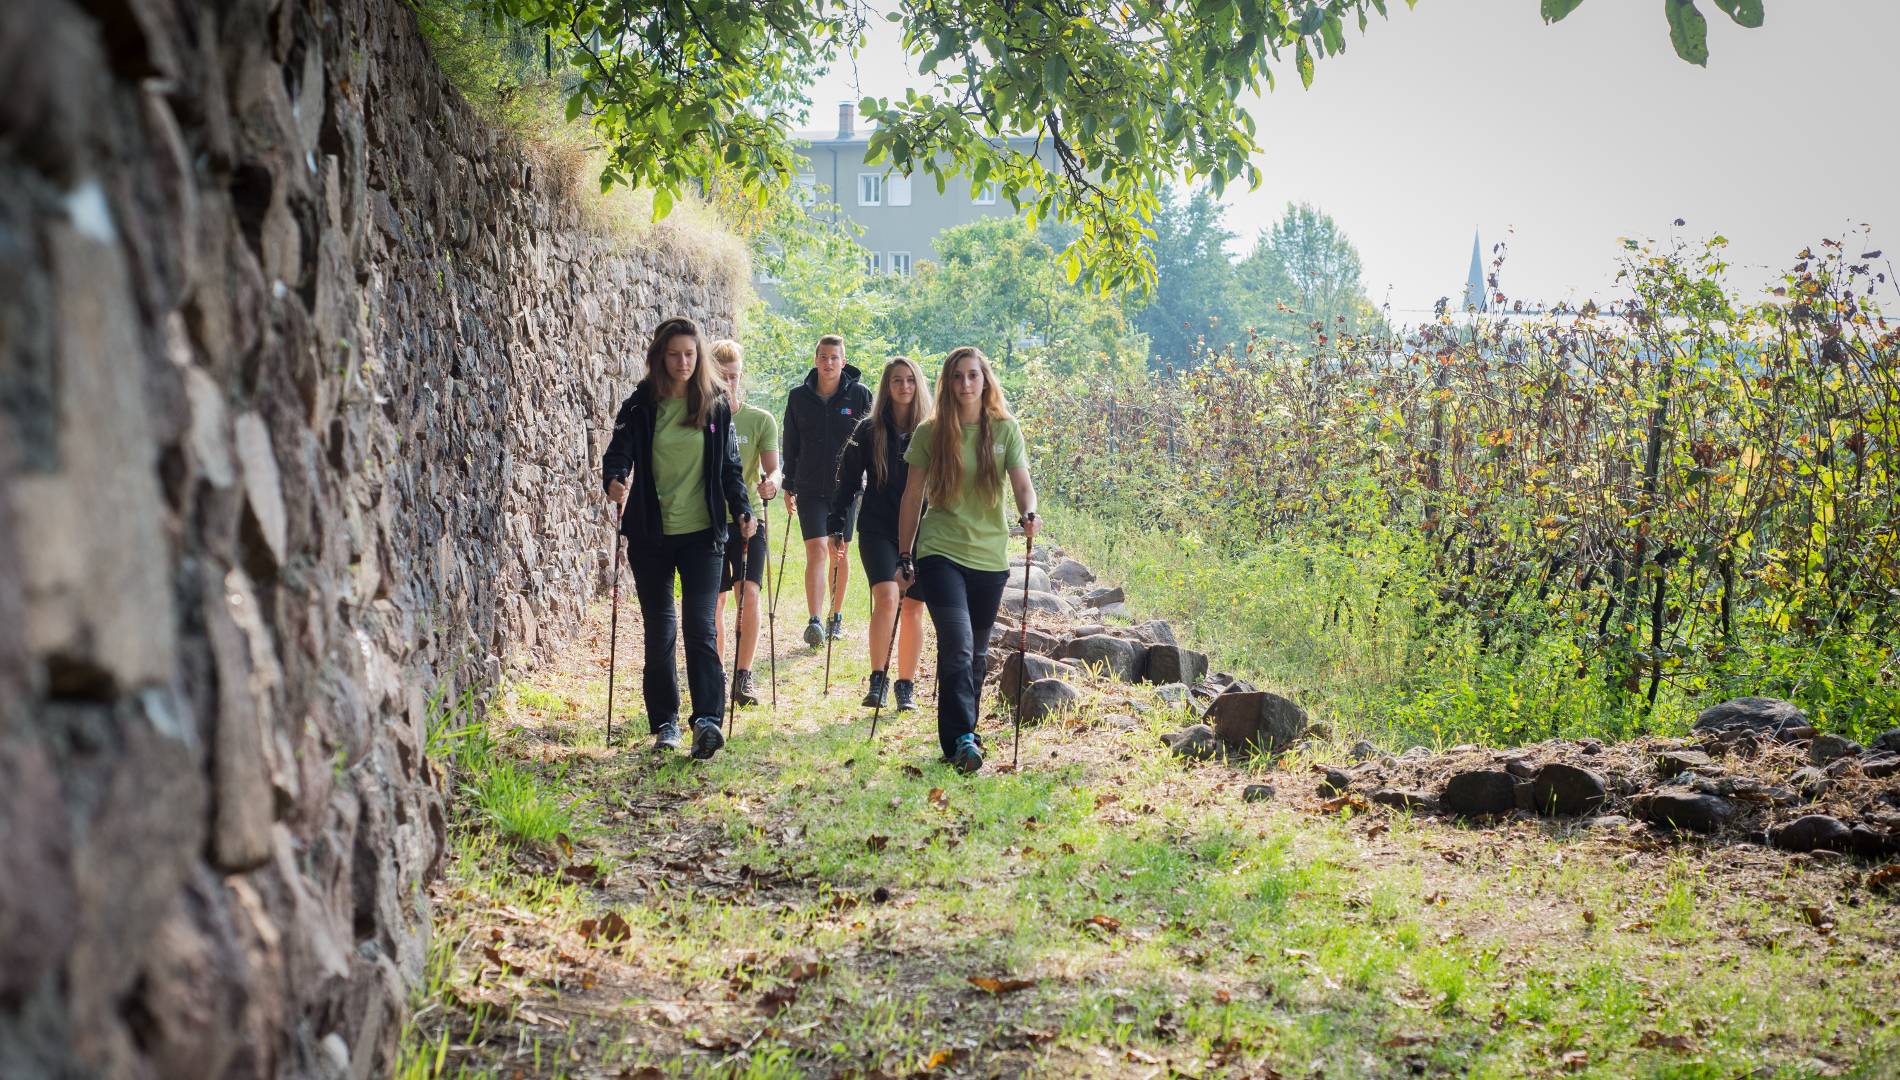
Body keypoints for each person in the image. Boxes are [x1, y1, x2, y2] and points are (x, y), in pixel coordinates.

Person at [601, 317, 755, 759]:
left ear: (699, 356)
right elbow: (617, 454)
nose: (683, 362)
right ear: (660, 357)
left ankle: (707, 720)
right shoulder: (639, 405)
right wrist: (614, 479)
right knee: (660, 629)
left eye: (690, 354)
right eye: (674, 354)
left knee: (700, 627)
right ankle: (665, 723)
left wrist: (742, 508)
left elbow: (730, 468)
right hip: (650, 533)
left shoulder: (714, 404)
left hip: (703, 534)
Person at [896, 347, 1038, 775]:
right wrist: (905, 554)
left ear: (985, 380)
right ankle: (961, 738)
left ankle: (964, 736)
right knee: (957, 644)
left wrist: (1029, 513)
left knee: (975, 654)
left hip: (990, 557)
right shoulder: (931, 432)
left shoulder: (1005, 430)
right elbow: (912, 496)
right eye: (957, 376)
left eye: (973, 375)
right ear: (948, 382)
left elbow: (1023, 486)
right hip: (940, 551)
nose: (965, 384)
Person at [829, 356, 932, 711]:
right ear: (887, 386)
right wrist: (837, 522)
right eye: (897, 380)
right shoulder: (868, 429)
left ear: (918, 385)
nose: (904, 386)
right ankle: (878, 679)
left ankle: (906, 685)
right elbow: (847, 480)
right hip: (877, 526)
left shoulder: (931, 430)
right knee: (887, 596)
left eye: (910, 380)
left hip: (922, 529)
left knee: (914, 606)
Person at [782, 334, 872, 647]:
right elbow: (790, 442)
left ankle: (836, 615)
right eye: (823, 357)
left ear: (843, 362)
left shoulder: (860, 395)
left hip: (845, 489)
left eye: (835, 358)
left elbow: (872, 439)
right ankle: (815, 620)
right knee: (817, 550)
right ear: (815, 360)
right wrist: (788, 483)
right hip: (808, 486)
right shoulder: (798, 397)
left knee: (838, 551)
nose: (829, 363)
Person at [709, 339, 780, 707]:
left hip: (748, 519)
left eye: (734, 376)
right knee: (715, 601)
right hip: (707, 520)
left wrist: (773, 484)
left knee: (748, 592)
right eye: (721, 376)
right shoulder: (699, 418)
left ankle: (744, 674)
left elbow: (774, 468)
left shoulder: (760, 419)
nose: (729, 383)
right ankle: (717, 674)